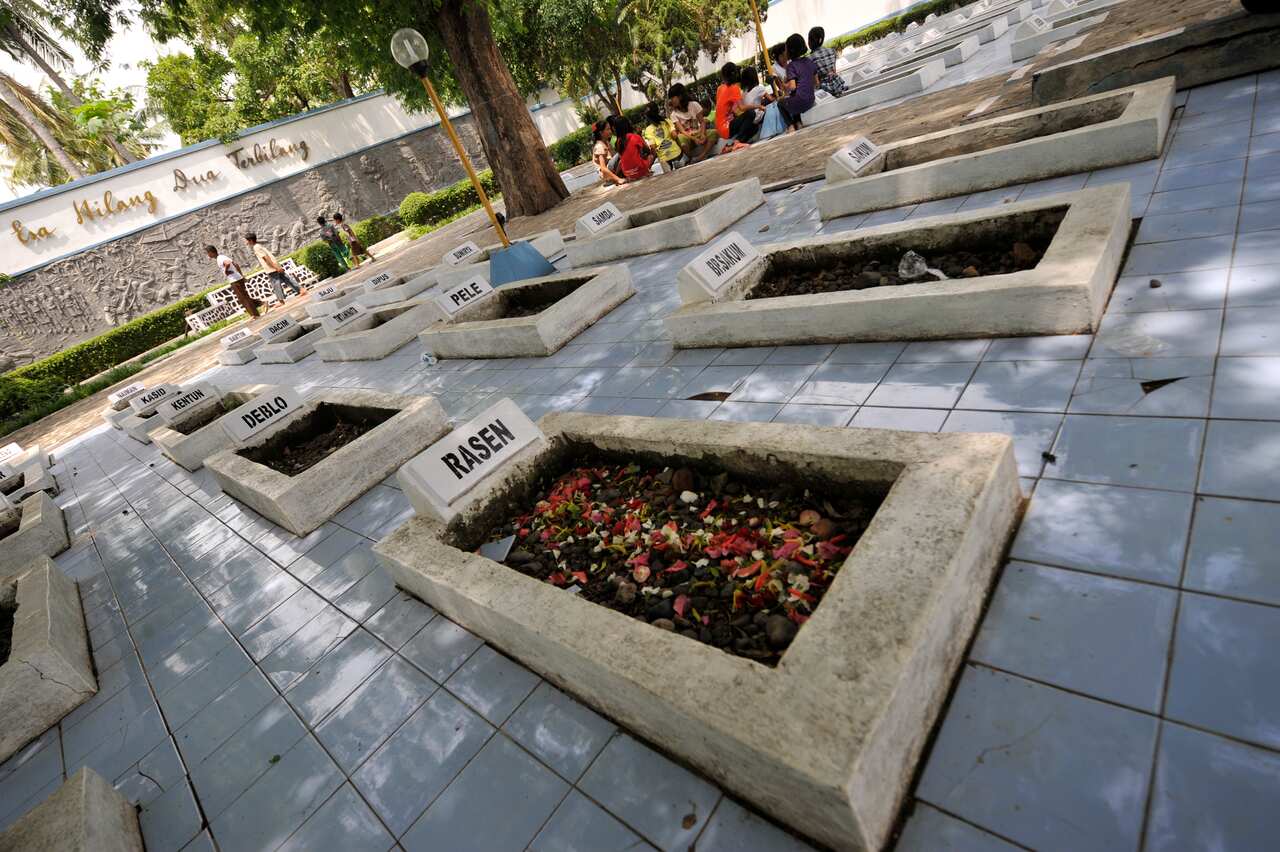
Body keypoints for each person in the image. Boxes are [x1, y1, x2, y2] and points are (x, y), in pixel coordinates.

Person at [778, 32, 819, 132]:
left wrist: (784, 85)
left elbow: (792, 86)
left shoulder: (791, 66)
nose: (785, 52)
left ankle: (791, 126)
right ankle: (798, 123)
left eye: (786, 49)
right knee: (794, 96)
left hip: (800, 102)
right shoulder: (809, 61)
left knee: (781, 103)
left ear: (791, 50)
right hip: (811, 99)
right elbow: (816, 82)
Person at [205, 244, 260, 318]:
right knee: (244, 297)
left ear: (211, 252)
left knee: (243, 298)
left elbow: (227, 263)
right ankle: (259, 308)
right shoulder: (222, 257)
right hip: (237, 278)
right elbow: (236, 264)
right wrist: (241, 275)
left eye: (208, 253)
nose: (208, 255)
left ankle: (254, 314)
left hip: (234, 280)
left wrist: (226, 271)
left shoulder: (220, 258)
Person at [245, 232, 302, 301]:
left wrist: (275, 267)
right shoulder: (258, 245)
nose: (245, 242)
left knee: (275, 284)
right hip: (274, 265)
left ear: (250, 240)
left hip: (271, 267)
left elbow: (266, 258)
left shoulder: (256, 247)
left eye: (246, 240)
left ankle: (281, 301)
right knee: (286, 279)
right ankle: (301, 290)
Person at [667, 83, 716, 162]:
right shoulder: (673, 114)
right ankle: (690, 158)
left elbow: (702, 122)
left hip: (699, 133)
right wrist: (694, 139)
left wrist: (703, 134)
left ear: (680, 96)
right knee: (680, 138)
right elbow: (682, 131)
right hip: (687, 138)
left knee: (714, 132)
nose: (671, 100)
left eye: (672, 97)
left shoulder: (694, 105)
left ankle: (702, 156)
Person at [728, 66, 771, 147]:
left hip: (747, 119)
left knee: (754, 128)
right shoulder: (759, 88)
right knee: (768, 104)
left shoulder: (743, 92)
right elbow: (771, 99)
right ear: (754, 77)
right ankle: (737, 142)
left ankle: (733, 145)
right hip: (756, 117)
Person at [606, 114, 656, 181]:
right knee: (652, 155)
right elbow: (647, 151)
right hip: (639, 170)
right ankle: (646, 171)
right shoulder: (634, 136)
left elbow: (621, 160)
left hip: (627, 173)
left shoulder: (618, 141)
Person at [641, 103, 683, 170]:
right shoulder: (667, 121)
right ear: (657, 111)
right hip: (676, 153)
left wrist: (649, 165)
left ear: (646, 116)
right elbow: (675, 136)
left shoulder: (648, 130)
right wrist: (681, 150)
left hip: (664, 158)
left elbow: (653, 148)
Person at [809, 26, 847, 97]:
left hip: (824, 90)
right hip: (837, 84)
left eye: (810, 39)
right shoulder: (832, 51)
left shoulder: (810, 58)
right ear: (821, 40)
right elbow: (834, 71)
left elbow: (815, 81)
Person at [714, 62, 743, 146]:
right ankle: (737, 142)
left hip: (719, 128)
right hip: (727, 127)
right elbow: (739, 109)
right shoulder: (734, 88)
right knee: (750, 114)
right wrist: (758, 106)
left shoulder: (719, 88)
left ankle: (731, 146)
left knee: (753, 128)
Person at [592, 121, 626, 187]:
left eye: (610, 129)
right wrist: (618, 179)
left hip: (611, 168)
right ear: (601, 133)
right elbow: (603, 168)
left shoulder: (607, 142)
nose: (610, 131)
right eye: (607, 129)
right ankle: (613, 179)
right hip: (605, 173)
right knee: (621, 153)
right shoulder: (600, 146)